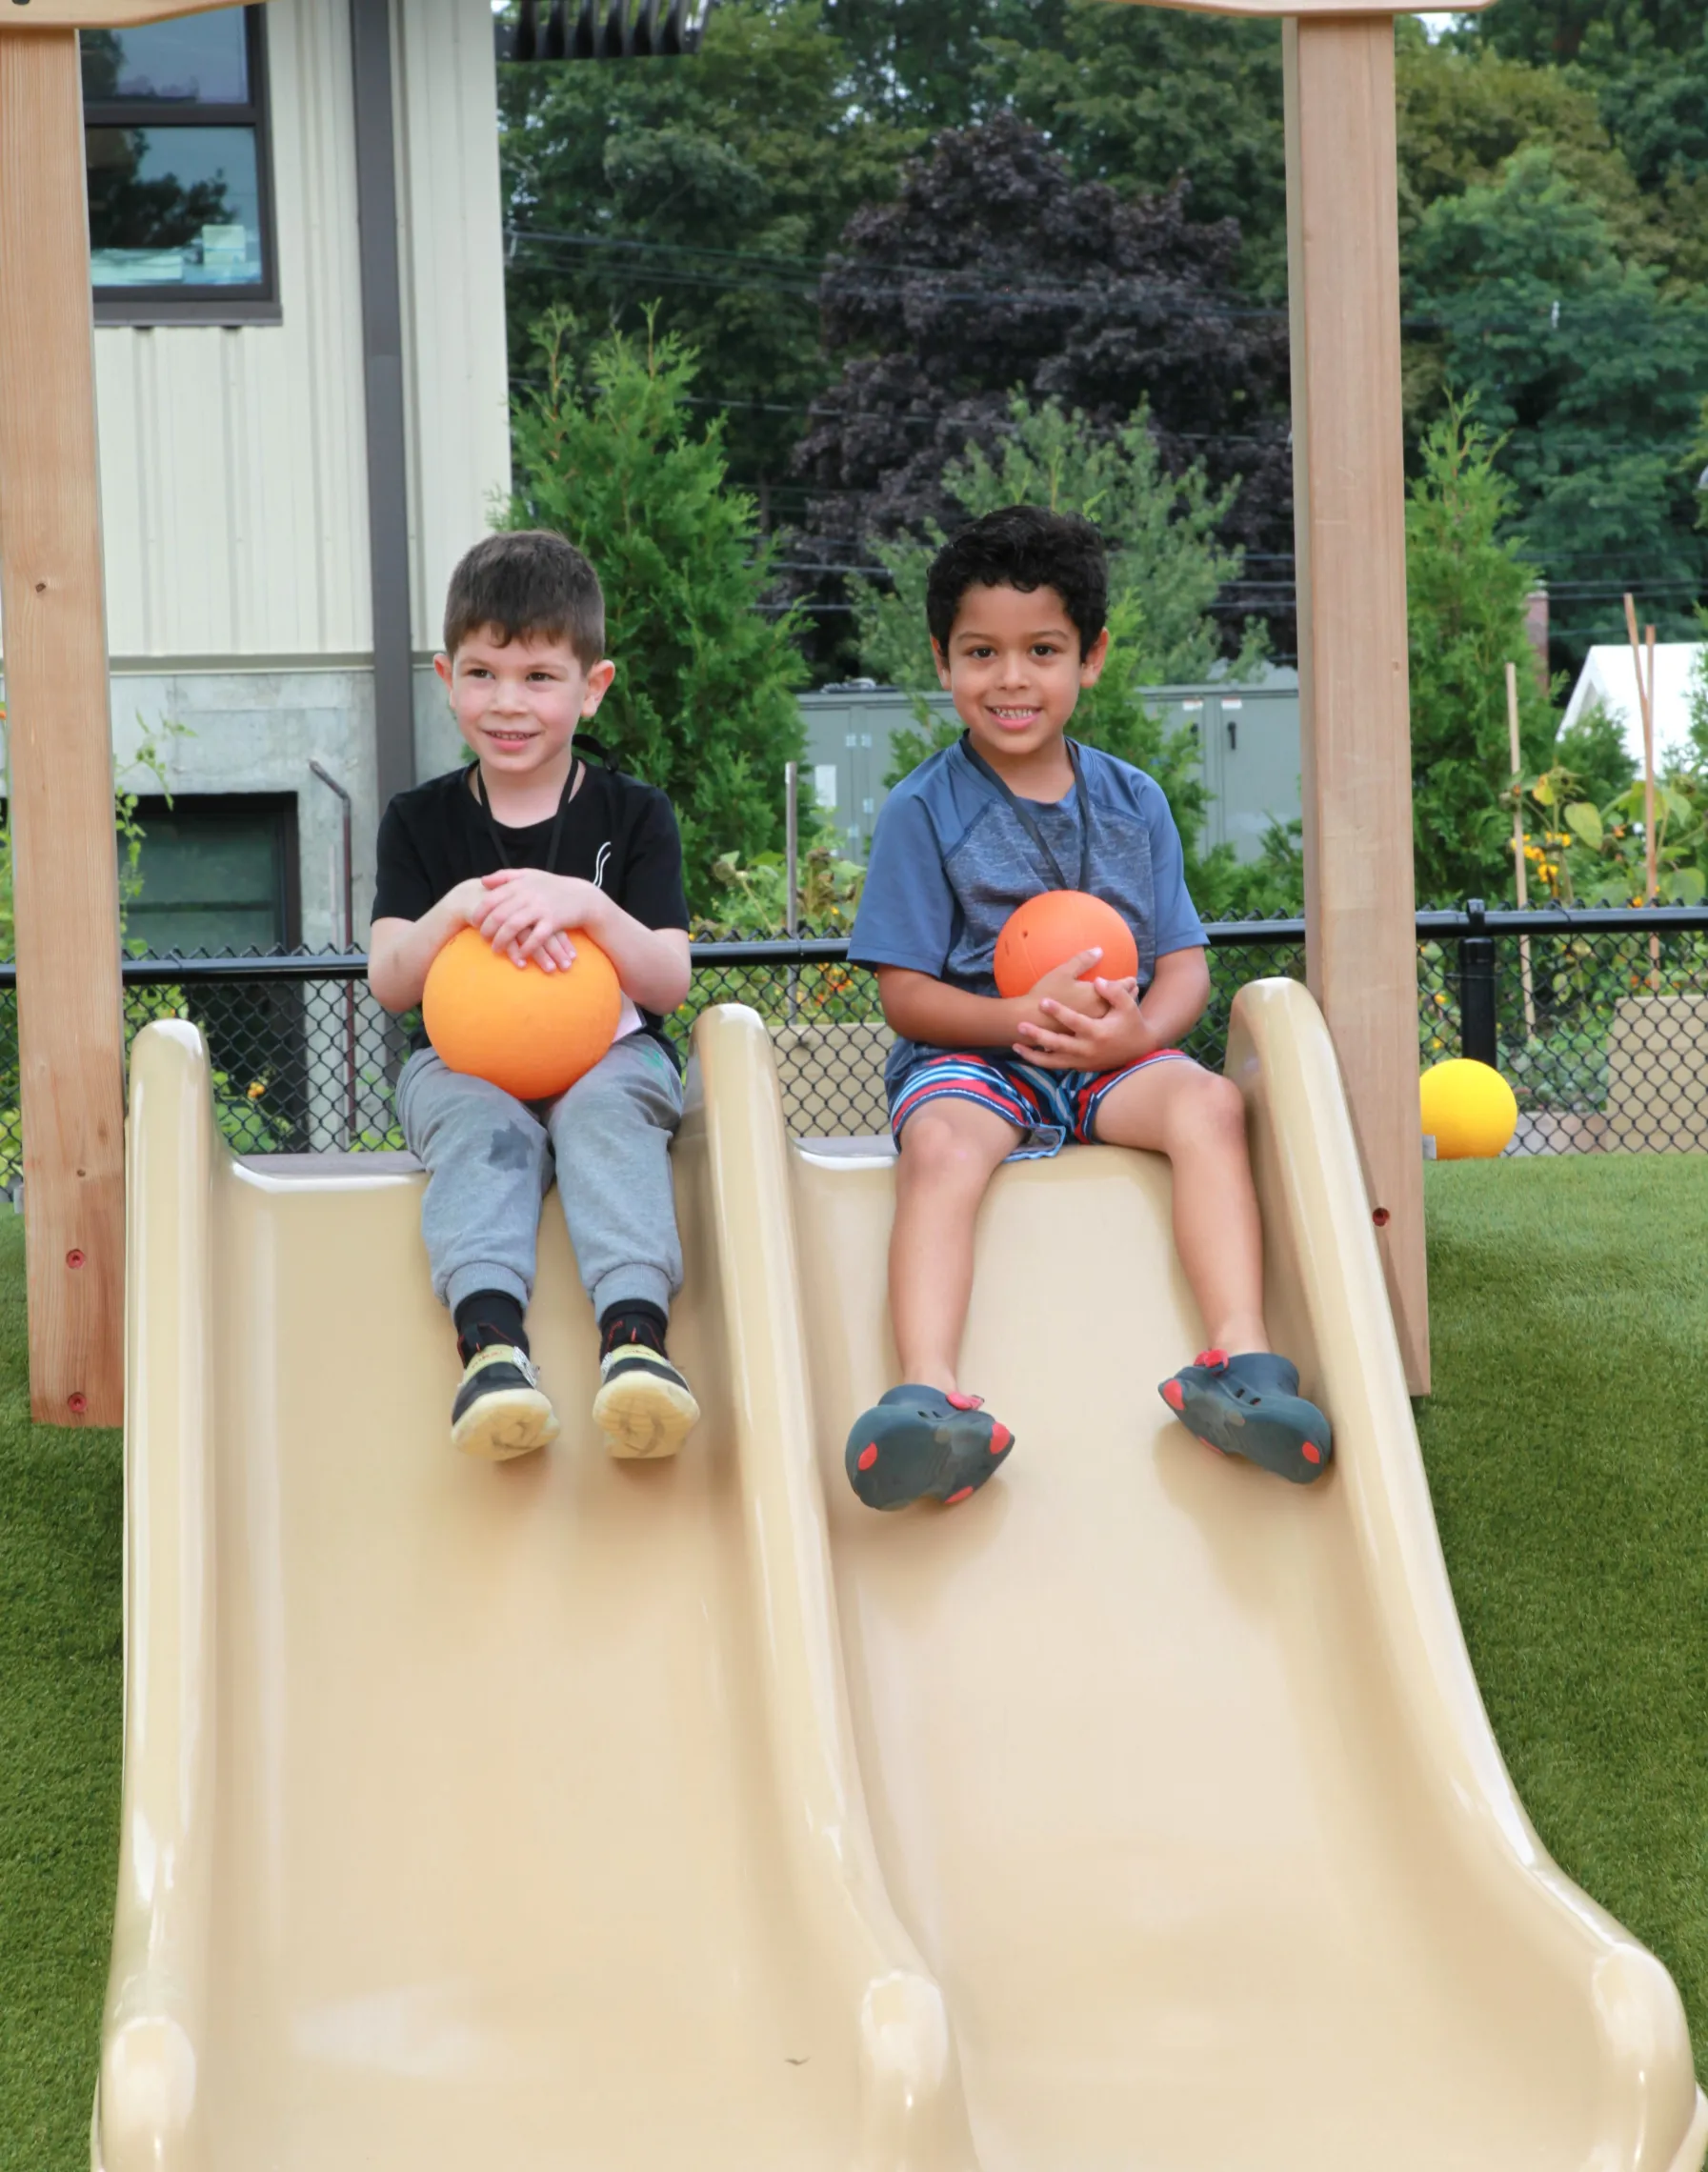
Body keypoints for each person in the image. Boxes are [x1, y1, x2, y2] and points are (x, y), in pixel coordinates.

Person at [843, 505, 1331, 1510]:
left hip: (1110, 1053)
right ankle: (928, 1392)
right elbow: (905, 994)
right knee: (940, 1144)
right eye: (981, 652)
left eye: (1041, 650)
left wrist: (1139, 1032)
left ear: (1089, 658)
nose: (1010, 679)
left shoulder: (1132, 802)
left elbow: (1184, 964)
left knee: (1208, 1107)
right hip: (975, 1052)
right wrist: (1019, 1016)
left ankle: (1237, 1361)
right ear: (942, 661)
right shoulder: (922, 810)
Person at [369, 530, 699, 1463]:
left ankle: (636, 1342)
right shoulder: (420, 821)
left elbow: (668, 978)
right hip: (466, 1065)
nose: (507, 703)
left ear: (591, 686)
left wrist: (587, 905)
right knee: (478, 1131)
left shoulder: (633, 816)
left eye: (539, 677)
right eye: (482, 673)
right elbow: (392, 983)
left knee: (603, 1116)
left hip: (608, 1054)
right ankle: (490, 1354)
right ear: (446, 677)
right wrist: (458, 908)